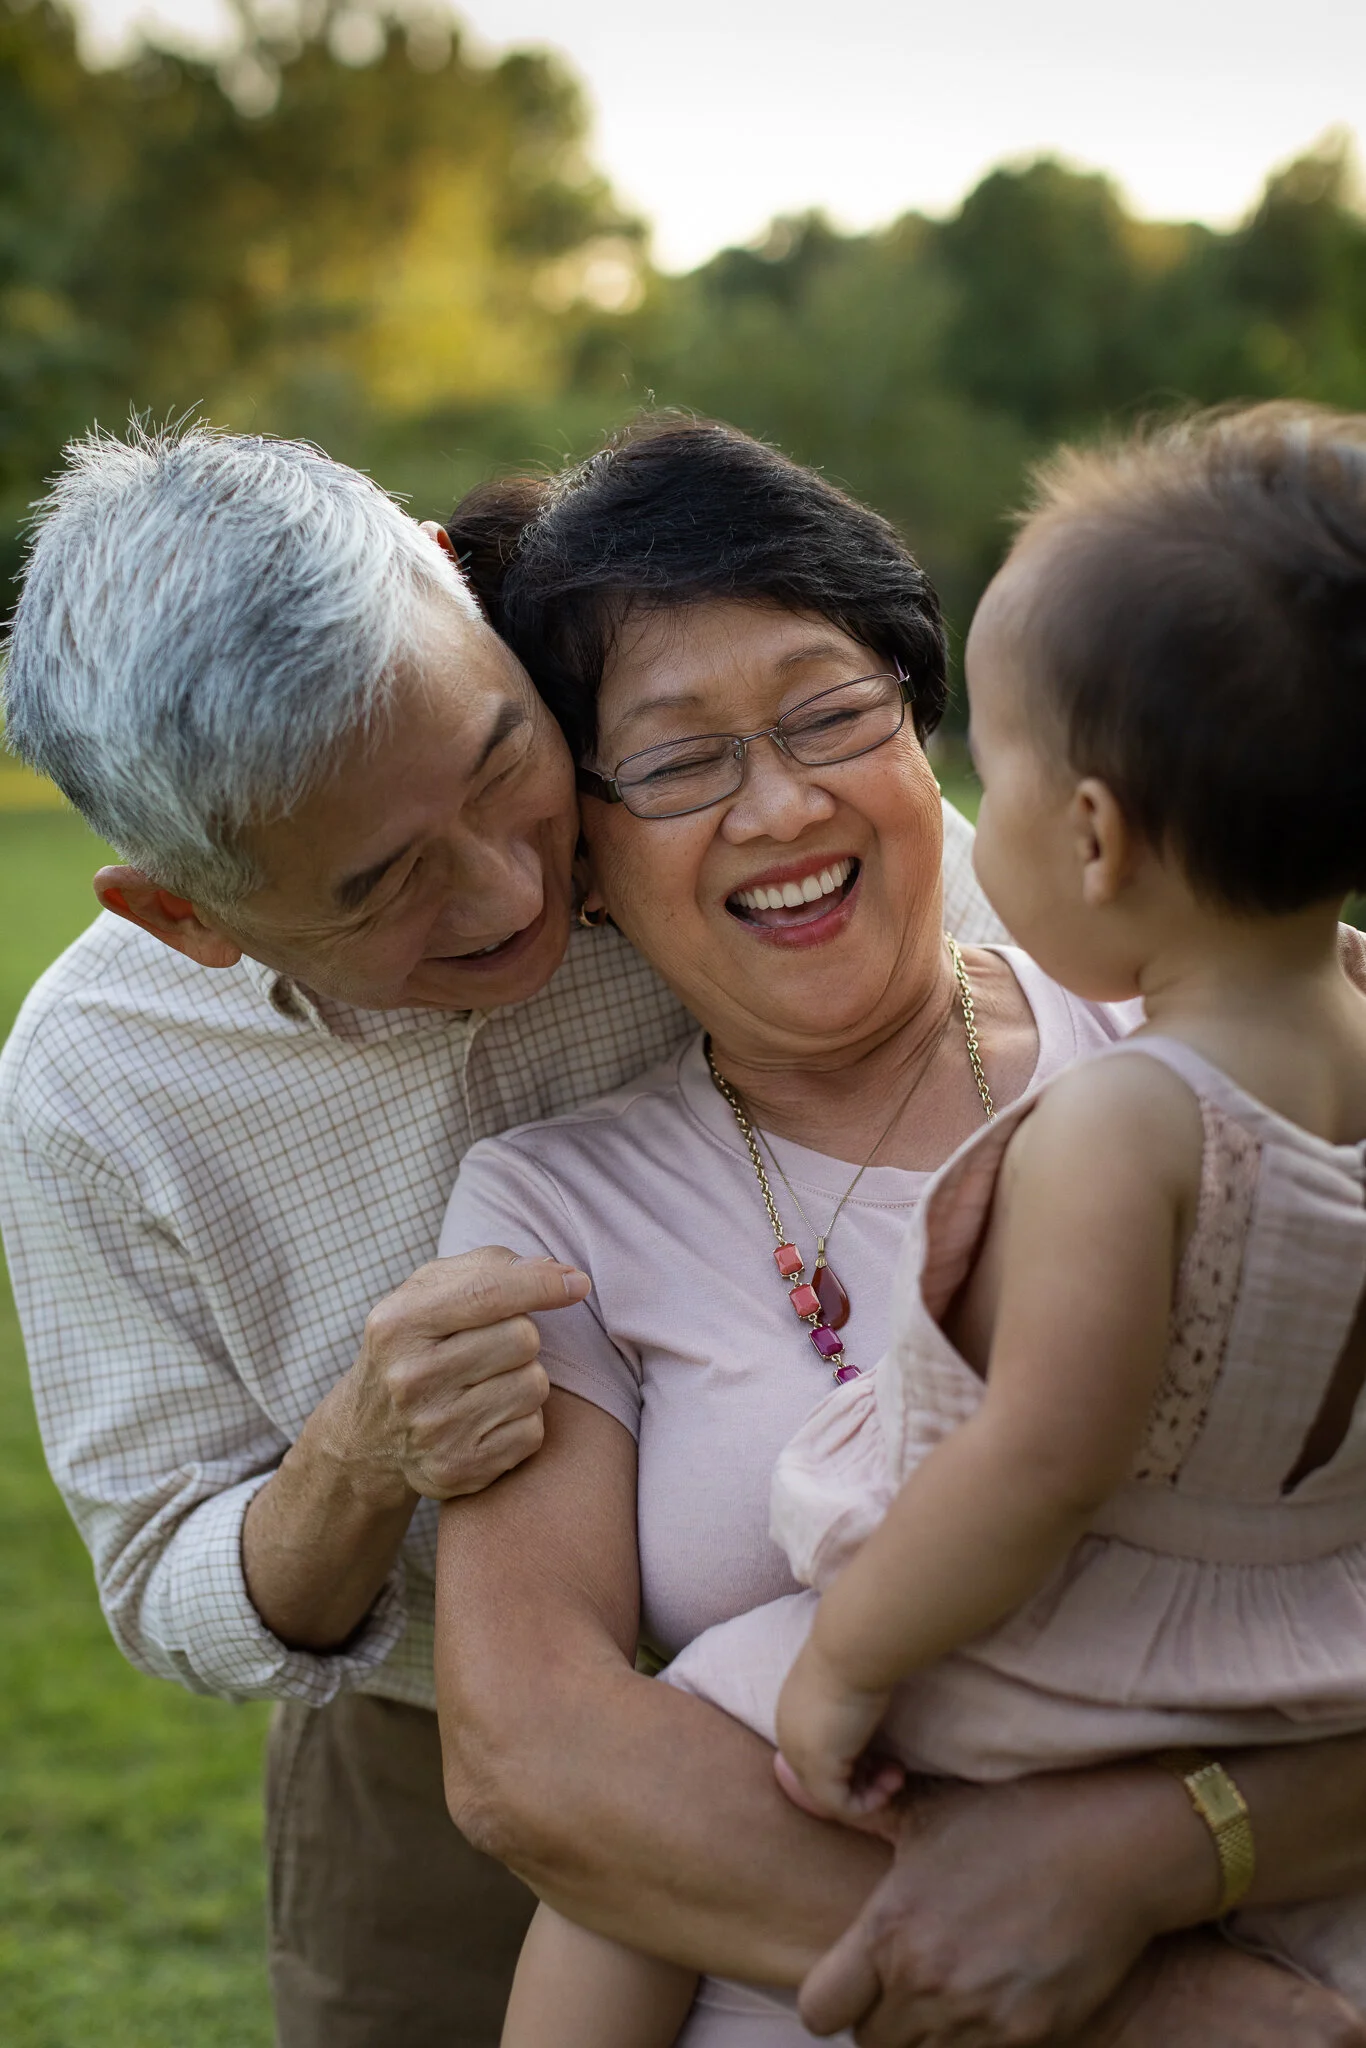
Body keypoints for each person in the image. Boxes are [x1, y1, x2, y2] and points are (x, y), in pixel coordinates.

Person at [0, 421, 988, 2047]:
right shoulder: (97, 1094)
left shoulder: (659, 751)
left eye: (496, 770)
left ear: (460, 597)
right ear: (178, 913)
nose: (504, 894)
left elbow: (1001, 932)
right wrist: (347, 1463)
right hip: (445, 1765)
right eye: (378, 886)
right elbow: (156, 1563)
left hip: (905, 1659)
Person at [435, 413, 1366, 2047]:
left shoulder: (1218, 1050)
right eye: (673, 761)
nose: (779, 804)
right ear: (581, 855)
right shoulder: (552, 1207)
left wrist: (1153, 1857)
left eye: (828, 713)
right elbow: (537, 1757)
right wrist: (1172, 2009)